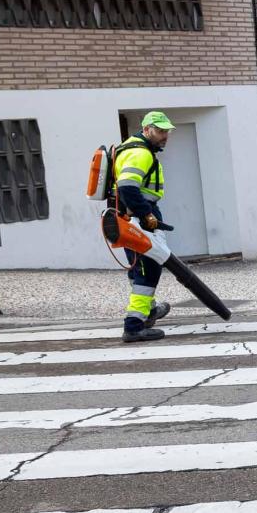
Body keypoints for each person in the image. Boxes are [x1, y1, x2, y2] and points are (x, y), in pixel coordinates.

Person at [114, 111, 176, 343]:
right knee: (148, 268)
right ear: (147, 129)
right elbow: (128, 187)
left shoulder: (131, 148)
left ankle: (148, 311)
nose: (165, 136)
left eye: (167, 131)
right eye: (160, 131)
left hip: (129, 216)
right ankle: (134, 325)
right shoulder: (140, 153)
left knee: (138, 267)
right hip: (139, 217)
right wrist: (146, 214)